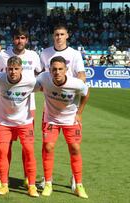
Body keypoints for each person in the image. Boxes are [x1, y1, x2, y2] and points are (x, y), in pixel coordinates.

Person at [0, 27, 42, 189]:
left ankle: (28, 176)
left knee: (27, 146)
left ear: (26, 40)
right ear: (13, 39)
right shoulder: (3, 55)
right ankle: (3, 178)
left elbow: (40, 75)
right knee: (6, 146)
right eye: (17, 38)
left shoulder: (33, 55)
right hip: (7, 107)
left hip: (28, 106)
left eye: (23, 38)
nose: (20, 41)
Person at [35, 56, 89, 199]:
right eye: (54, 69)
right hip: (51, 119)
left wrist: (79, 113)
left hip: (70, 119)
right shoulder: (43, 78)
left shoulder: (76, 83)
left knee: (75, 148)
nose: (57, 72)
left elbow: (86, 94)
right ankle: (48, 183)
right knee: (48, 147)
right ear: (49, 70)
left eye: (60, 69)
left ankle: (78, 185)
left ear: (66, 70)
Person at [39, 24, 86, 190]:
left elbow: (81, 75)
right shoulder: (45, 53)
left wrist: (74, 90)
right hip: (50, 106)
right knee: (48, 144)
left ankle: (75, 178)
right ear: (53, 36)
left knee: (73, 146)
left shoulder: (74, 54)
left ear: (67, 36)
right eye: (56, 34)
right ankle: (46, 179)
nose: (59, 37)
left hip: (69, 105)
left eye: (62, 34)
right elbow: (40, 75)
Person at [0, 56, 39, 197]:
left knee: (29, 152)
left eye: (16, 69)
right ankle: (4, 184)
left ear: (21, 69)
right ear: (6, 69)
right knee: (3, 152)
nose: (13, 72)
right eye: (10, 69)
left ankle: (32, 185)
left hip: (25, 123)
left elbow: (45, 89)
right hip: (5, 123)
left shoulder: (30, 81)